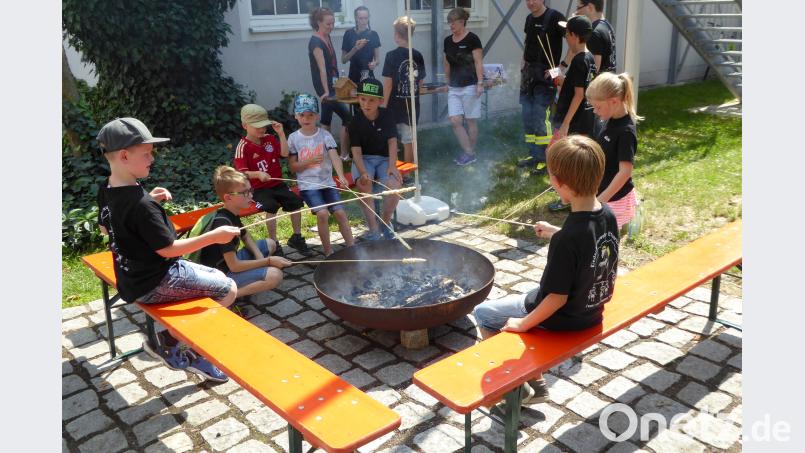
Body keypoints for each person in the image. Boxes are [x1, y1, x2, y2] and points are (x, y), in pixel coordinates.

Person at [473, 134, 619, 408]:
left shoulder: (567, 240)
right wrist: (556, 232)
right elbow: (590, 249)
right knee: (526, 296)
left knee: (483, 314)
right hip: (591, 309)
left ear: (558, 182)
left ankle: (515, 383)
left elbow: (556, 298)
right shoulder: (608, 214)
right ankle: (535, 386)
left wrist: (522, 324)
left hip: (564, 318)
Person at [95, 117, 240, 382]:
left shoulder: (107, 188)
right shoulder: (141, 205)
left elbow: (107, 228)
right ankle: (177, 344)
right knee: (228, 288)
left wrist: (149, 199)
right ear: (125, 155)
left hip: (130, 278)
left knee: (212, 277)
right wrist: (214, 236)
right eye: (147, 153)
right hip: (157, 279)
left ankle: (171, 340)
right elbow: (169, 250)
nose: (152, 158)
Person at [198, 166, 292, 301]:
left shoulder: (231, 213)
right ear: (228, 197)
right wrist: (268, 261)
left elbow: (246, 236)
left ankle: (244, 284)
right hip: (222, 275)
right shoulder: (223, 223)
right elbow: (234, 266)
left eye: (250, 190)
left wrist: (259, 255)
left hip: (231, 264)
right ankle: (226, 296)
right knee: (275, 275)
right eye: (245, 193)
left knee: (270, 244)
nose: (251, 195)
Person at [234, 104, 312, 255]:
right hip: (258, 188)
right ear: (245, 126)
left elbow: (284, 153)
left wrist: (281, 134)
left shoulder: (269, 139)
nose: (262, 129)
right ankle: (274, 243)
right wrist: (257, 174)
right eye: (257, 127)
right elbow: (241, 173)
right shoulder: (243, 147)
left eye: (264, 126)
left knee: (295, 202)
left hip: (277, 184)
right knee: (270, 206)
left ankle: (296, 237)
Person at [288, 93, 355, 256]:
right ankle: (328, 251)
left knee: (340, 212)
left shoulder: (325, 135)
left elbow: (334, 157)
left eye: (310, 114)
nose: (306, 118)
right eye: (302, 115)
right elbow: (293, 167)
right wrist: (309, 160)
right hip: (308, 187)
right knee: (323, 213)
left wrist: (340, 175)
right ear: (296, 116)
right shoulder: (294, 138)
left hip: (328, 183)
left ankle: (353, 247)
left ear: (316, 115)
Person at [548, 15, 597, 211]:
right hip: (585, 118)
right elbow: (577, 86)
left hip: (573, 121)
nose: (565, 38)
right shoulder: (589, 57)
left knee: (554, 157)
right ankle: (576, 197)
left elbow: (579, 94)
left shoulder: (579, 61)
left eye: (567, 34)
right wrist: (562, 82)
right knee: (576, 162)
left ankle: (565, 199)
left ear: (575, 36)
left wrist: (566, 124)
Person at [517, 0, 566, 176]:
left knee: (541, 115)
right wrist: (523, 60)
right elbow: (527, 41)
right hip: (529, 73)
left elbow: (575, 40)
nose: (531, 2)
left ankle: (546, 158)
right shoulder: (529, 19)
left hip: (546, 74)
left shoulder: (555, 17)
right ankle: (534, 154)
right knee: (527, 115)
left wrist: (560, 67)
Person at [587, 72, 642, 229]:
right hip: (602, 192)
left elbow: (625, 172)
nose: (595, 111)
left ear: (614, 101)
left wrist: (602, 200)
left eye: (598, 107)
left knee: (606, 240)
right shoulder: (609, 119)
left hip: (615, 198)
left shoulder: (625, 132)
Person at [348, 77, 401, 240]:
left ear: (380, 101)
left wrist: (392, 166)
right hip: (364, 159)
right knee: (364, 185)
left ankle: (385, 224)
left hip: (385, 159)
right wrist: (363, 172)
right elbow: (356, 151)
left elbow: (392, 142)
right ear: (358, 99)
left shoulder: (387, 115)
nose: (366, 104)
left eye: (371, 100)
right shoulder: (355, 121)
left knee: (394, 185)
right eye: (362, 99)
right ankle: (373, 230)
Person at [443, 7, 484, 166]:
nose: (451, 25)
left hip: (470, 86)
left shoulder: (473, 39)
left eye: (453, 22)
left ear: (462, 22)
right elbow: (446, 62)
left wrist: (480, 83)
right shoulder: (447, 40)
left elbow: (478, 62)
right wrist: (447, 81)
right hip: (454, 87)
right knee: (455, 120)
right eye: (449, 22)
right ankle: (470, 152)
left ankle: (469, 153)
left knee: (470, 121)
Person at [382, 15, 426, 164]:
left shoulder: (391, 56)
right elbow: (420, 82)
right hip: (412, 107)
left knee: (392, 139)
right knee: (409, 141)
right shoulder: (418, 55)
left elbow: (388, 84)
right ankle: (408, 174)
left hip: (394, 106)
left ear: (396, 36)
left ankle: (392, 170)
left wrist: (383, 105)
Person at [308, 7, 351, 157]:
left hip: (333, 83)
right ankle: (344, 154)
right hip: (325, 86)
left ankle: (324, 154)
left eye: (333, 23)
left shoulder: (327, 36)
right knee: (348, 117)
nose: (331, 27)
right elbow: (322, 69)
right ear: (318, 22)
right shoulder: (316, 43)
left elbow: (332, 64)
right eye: (328, 24)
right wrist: (326, 91)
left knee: (326, 119)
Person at [341, 5, 381, 84]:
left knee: (368, 96)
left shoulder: (373, 34)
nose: (363, 21)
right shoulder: (348, 34)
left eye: (366, 18)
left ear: (369, 17)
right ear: (356, 18)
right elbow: (343, 60)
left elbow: (377, 60)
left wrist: (374, 64)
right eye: (361, 18)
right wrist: (355, 48)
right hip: (353, 77)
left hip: (368, 76)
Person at [575, 0, 617, 74]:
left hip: (600, 83)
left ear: (590, 7)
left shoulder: (594, 33)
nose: (577, 12)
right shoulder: (607, 25)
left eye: (579, 7)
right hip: (609, 80)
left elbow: (593, 70)